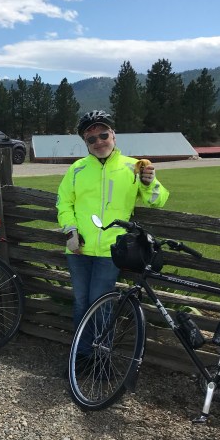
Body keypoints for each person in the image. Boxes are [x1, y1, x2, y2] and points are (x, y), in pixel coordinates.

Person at [57, 110, 169, 352]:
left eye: (103, 135)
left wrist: (149, 183)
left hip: (111, 251)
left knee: (100, 304)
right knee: (81, 303)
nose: (99, 142)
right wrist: (71, 231)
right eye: (91, 139)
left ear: (113, 135)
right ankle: (81, 356)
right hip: (78, 248)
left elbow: (157, 201)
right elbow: (64, 203)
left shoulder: (133, 167)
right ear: (85, 143)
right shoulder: (77, 169)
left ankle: (101, 357)